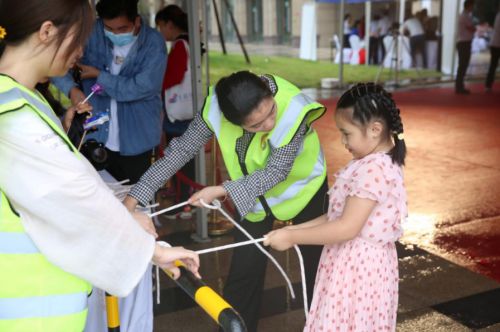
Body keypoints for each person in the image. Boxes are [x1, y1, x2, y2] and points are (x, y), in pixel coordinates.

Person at [0, 1, 199, 331]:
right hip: (29, 311)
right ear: (46, 31)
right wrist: (148, 248)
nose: (81, 52)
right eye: (79, 38)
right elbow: (73, 197)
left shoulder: (23, 99)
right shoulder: (14, 113)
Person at [124, 71, 328, 331]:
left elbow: (276, 171)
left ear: (268, 91)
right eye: (256, 125)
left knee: (319, 273)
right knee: (243, 274)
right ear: (233, 121)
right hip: (254, 201)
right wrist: (133, 200)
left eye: (271, 111)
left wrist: (221, 189)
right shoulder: (215, 110)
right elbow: (182, 151)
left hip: (304, 191)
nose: (269, 123)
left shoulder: (293, 108)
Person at [264, 83, 408, 331]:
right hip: (350, 262)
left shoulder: (374, 169)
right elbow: (335, 217)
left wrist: (292, 236)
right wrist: (291, 232)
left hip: (359, 270)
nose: (342, 141)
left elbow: (346, 228)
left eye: (347, 133)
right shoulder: (368, 162)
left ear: (375, 129)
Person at [52, 0, 167, 184]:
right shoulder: (90, 33)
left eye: (122, 29)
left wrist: (99, 76)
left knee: (134, 202)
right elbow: (54, 64)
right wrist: (72, 90)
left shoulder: (153, 43)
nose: (114, 34)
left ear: (137, 21)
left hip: (138, 140)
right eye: (108, 28)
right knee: (94, 200)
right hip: (94, 136)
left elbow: (142, 87)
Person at [155, 5, 196, 218]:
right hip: (188, 112)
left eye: (160, 27)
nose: (160, 32)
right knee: (188, 159)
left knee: (179, 159)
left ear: (169, 25)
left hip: (178, 114)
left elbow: (173, 77)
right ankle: (188, 201)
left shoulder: (180, 45)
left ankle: (181, 205)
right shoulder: (191, 42)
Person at [455, 0, 476, 94]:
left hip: (464, 42)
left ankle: (459, 86)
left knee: (463, 65)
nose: (473, 7)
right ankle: (459, 87)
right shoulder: (465, 16)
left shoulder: (465, 15)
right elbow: (471, 28)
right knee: (463, 65)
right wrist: (474, 28)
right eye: (472, 5)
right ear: (469, 6)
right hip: (464, 43)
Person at [485, 5, 500, 92]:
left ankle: (488, 85)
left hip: (494, 44)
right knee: (493, 65)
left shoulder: (498, 15)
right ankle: (488, 85)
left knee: (493, 66)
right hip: (497, 44)